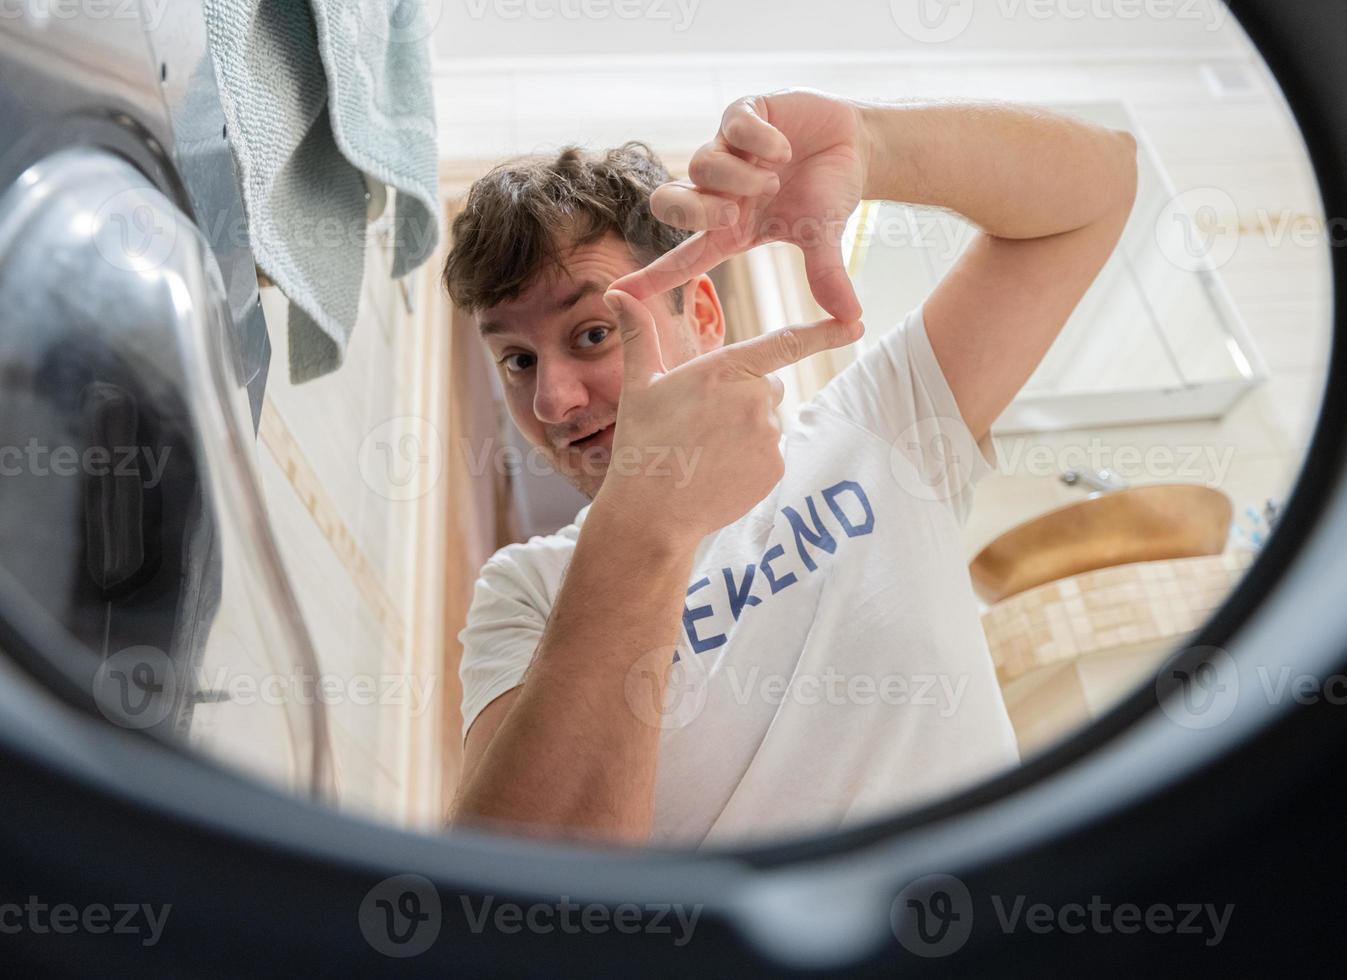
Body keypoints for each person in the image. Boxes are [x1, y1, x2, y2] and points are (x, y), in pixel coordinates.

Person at [441, 88, 1137, 846]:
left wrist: (875, 145)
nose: (551, 399)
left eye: (591, 334)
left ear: (701, 316)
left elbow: (1096, 193)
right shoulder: (524, 594)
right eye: (516, 358)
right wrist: (648, 516)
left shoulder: (880, 426)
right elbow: (528, 912)